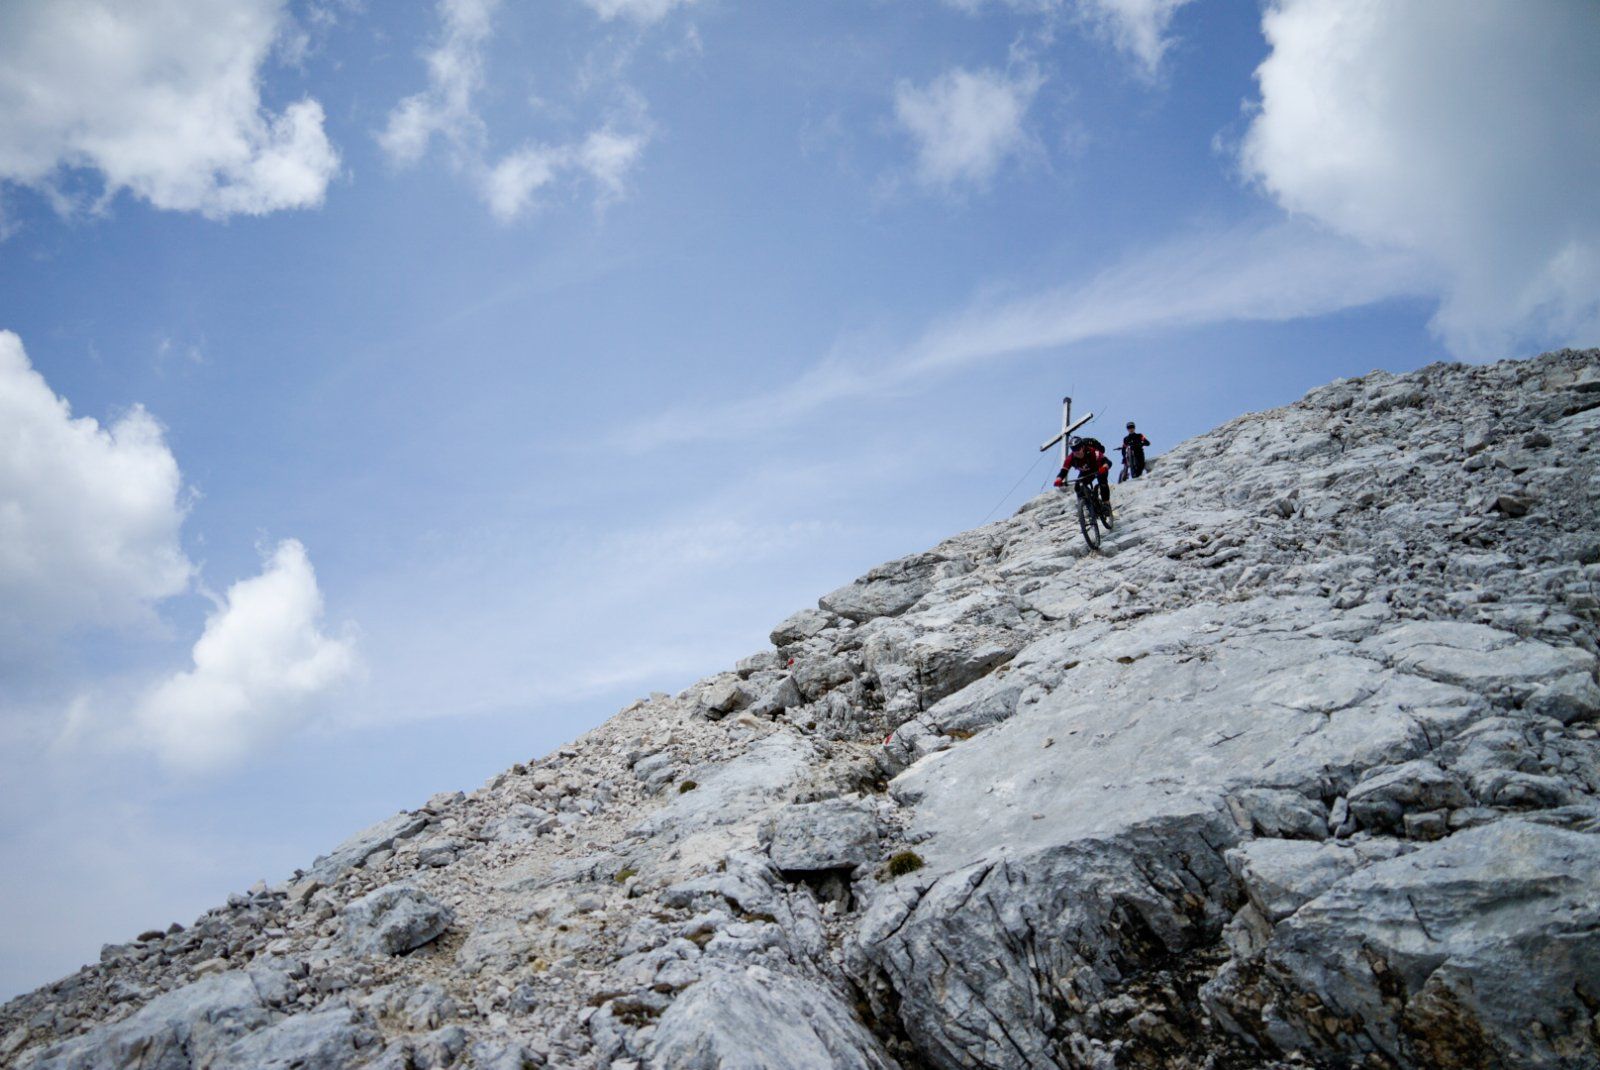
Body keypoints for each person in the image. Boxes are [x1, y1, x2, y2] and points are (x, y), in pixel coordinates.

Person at [1054, 436, 1111, 504]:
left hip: (1099, 468)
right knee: (1078, 487)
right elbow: (1064, 471)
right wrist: (1059, 479)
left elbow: (1107, 462)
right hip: (1086, 472)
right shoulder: (1070, 458)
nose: (1076, 451)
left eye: (1078, 448)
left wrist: (1104, 467)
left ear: (1083, 447)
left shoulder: (1092, 451)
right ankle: (1084, 504)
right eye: (1073, 449)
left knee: (1102, 482)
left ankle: (1106, 503)